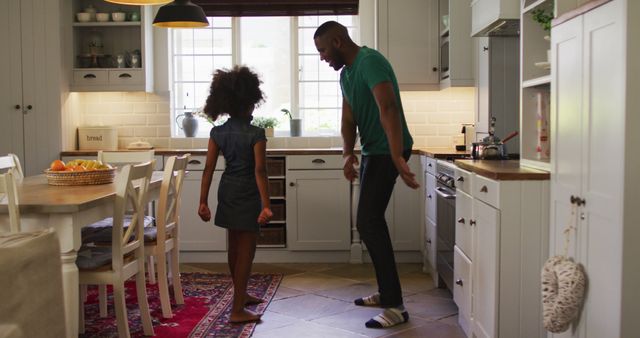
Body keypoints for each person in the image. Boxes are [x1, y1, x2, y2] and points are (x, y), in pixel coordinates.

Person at [314, 21, 419, 329]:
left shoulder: (370, 61)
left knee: (368, 221)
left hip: (388, 151)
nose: (321, 57)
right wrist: (348, 153)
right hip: (375, 151)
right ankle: (388, 294)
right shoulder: (347, 74)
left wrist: (398, 154)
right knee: (369, 222)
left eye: (322, 50)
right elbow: (349, 118)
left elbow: (388, 108)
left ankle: (396, 305)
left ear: (336, 41)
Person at [198, 65, 273, 323]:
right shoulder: (256, 134)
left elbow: (208, 168)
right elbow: (260, 171)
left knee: (233, 246)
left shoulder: (217, 133)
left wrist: (202, 201)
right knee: (247, 251)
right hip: (248, 192)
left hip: (227, 189)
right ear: (250, 103)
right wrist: (266, 205)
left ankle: (241, 296)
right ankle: (237, 310)